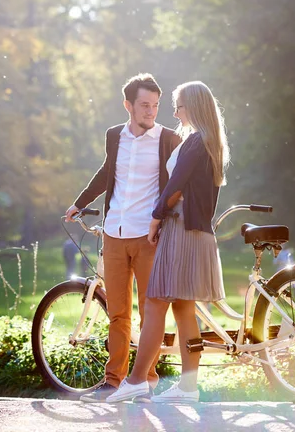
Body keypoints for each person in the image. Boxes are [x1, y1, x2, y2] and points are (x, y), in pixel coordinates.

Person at [105, 80, 230, 404]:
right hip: (196, 231)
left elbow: (176, 185)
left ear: (193, 107)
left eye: (178, 106)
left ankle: (135, 380)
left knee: (155, 301)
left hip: (182, 229)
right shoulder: (207, 141)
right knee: (183, 308)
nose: (174, 112)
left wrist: (156, 217)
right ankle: (188, 388)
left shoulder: (196, 142)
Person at [65, 73, 181, 402]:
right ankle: (113, 381)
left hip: (149, 237)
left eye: (155, 105)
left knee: (150, 312)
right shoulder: (114, 135)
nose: (151, 111)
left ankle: (146, 381)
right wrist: (80, 203)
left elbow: (178, 184)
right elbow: (107, 172)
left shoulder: (168, 139)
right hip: (114, 233)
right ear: (127, 105)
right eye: (144, 105)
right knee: (118, 312)